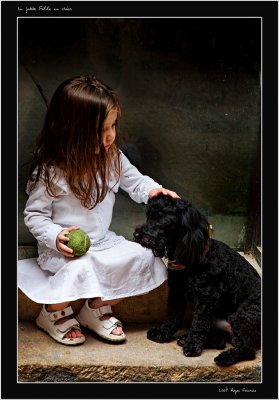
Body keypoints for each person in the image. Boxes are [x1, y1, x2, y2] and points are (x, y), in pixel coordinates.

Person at [18, 75, 179, 346]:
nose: (110, 136)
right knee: (80, 268)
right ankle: (52, 313)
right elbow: (35, 216)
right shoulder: (52, 171)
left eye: (113, 125)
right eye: (100, 129)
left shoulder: (112, 157)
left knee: (144, 258)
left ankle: (94, 310)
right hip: (65, 252)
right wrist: (56, 236)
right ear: (70, 130)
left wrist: (154, 191)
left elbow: (135, 180)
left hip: (103, 242)